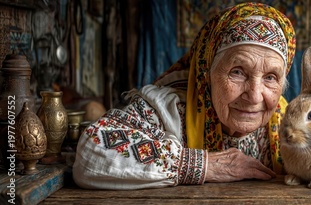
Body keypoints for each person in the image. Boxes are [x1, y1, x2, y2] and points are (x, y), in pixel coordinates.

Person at [73, 2, 296, 189]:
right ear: (207, 73)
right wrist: (203, 165)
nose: (255, 96)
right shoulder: (170, 108)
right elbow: (92, 149)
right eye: (237, 72)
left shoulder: (291, 121)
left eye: (270, 77)